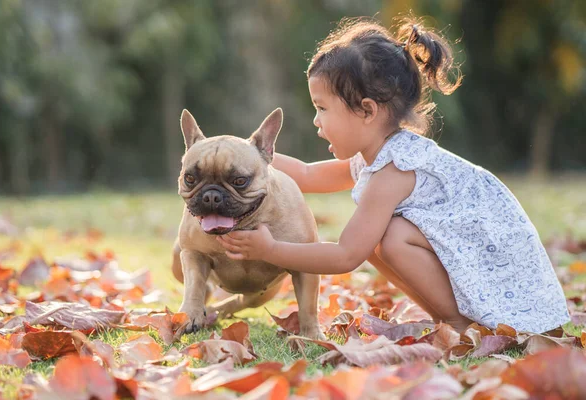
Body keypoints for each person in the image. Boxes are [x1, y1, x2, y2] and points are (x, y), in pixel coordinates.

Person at [217, 17, 570, 334]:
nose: (316, 122)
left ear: (367, 111)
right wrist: (248, 155)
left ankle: (459, 324)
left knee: (387, 236)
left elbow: (345, 256)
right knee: (378, 237)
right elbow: (307, 175)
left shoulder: (394, 169)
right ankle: (447, 319)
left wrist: (272, 249)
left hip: (500, 269)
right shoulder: (374, 158)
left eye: (322, 109)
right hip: (479, 260)